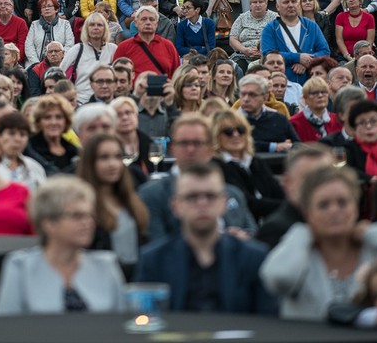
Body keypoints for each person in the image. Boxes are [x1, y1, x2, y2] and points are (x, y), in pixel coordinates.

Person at [260, 165, 377, 320]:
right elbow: (277, 279)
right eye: (323, 205)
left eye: (342, 203)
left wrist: (375, 233)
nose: (334, 211)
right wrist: (301, 233)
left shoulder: (374, 245)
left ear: (356, 207)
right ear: (308, 212)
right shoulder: (300, 249)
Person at [136, 163, 278, 314]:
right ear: (176, 206)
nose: (202, 203)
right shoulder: (154, 260)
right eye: (192, 197)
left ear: (223, 203)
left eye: (210, 196)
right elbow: (145, 320)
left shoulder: (253, 258)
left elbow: (268, 321)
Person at [0, 174, 124, 315]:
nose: (88, 223)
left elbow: (123, 325)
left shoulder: (106, 265)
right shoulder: (20, 267)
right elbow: (5, 327)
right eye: (77, 216)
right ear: (49, 223)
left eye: (90, 215)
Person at [75, 133, 149, 272]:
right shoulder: (80, 206)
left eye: (117, 157)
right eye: (104, 157)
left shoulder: (133, 202)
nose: (113, 164)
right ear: (90, 162)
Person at [214, 109, 284, 220]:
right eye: (228, 131)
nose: (236, 135)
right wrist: (289, 208)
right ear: (216, 136)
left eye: (240, 130)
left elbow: (278, 191)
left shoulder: (255, 161)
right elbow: (247, 203)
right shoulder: (216, 167)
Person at [260, 0, 329, 83]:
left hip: (309, 82)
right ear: (277, 7)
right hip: (281, 83)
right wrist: (297, 58)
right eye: (286, 2)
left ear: (299, 5)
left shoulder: (310, 26)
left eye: (294, 1)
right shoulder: (270, 29)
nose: (291, 5)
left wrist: (306, 62)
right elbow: (267, 54)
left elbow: (324, 51)